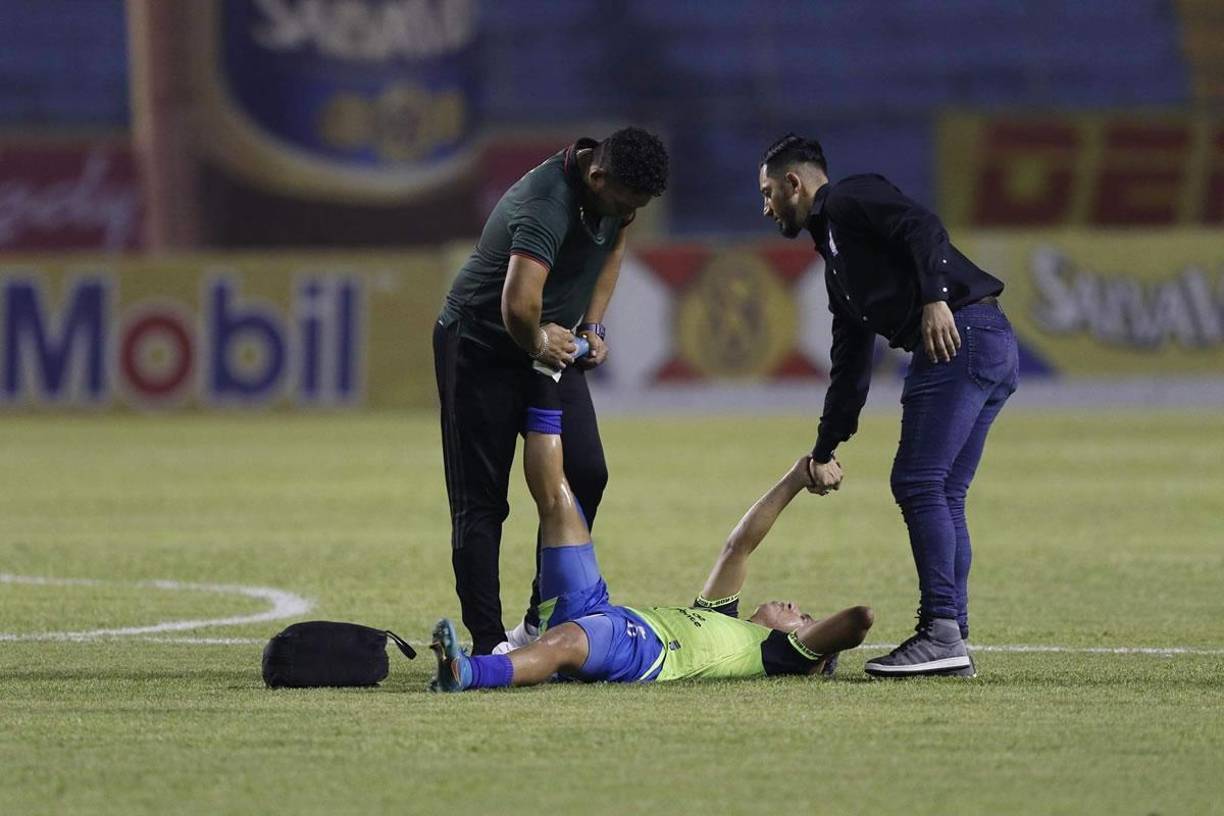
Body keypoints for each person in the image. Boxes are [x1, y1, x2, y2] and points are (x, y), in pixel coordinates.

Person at [758, 133, 1019, 678]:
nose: (766, 207)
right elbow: (850, 367)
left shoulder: (851, 198)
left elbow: (922, 227)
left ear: (793, 184)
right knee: (943, 490)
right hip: (985, 340)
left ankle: (941, 632)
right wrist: (823, 449)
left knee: (918, 483)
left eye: (767, 193)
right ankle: (952, 636)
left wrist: (934, 298)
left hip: (960, 333)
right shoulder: (837, 265)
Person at [428, 375, 875, 691]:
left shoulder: (778, 656)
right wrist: (796, 477)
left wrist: (819, 642)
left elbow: (859, 620)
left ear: (809, 653)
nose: (796, 608)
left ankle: (467, 673)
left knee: (561, 644)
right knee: (560, 505)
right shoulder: (721, 616)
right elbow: (739, 546)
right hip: (602, 611)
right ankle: (544, 374)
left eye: (805, 619)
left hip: (642, 652)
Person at [434, 128, 669, 655]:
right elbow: (517, 307)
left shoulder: (615, 196)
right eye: (625, 202)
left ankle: (538, 622)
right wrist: (540, 340)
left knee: (586, 473)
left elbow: (611, 251)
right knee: (482, 501)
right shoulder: (546, 204)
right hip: (480, 345)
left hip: (550, 346)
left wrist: (594, 327)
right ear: (597, 175)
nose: (628, 212)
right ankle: (488, 646)